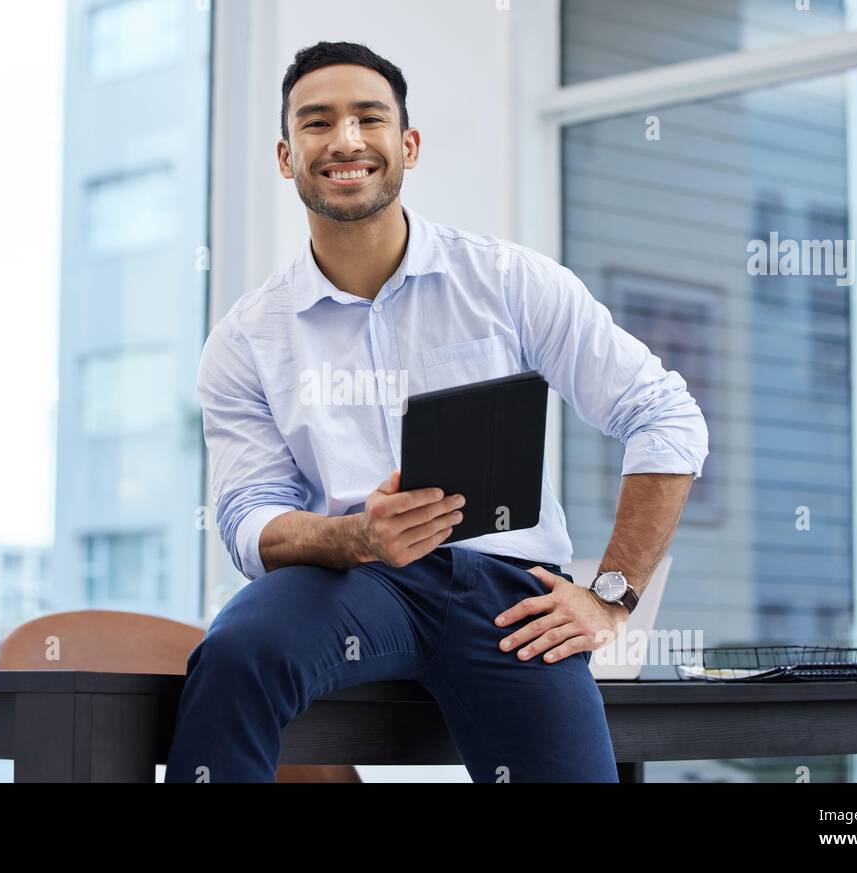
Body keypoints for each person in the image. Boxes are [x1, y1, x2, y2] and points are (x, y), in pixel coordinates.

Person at [165, 40, 708, 783]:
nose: (346, 141)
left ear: (408, 145)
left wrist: (611, 596)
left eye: (369, 119)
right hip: (348, 583)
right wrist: (354, 533)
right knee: (236, 651)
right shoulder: (246, 338)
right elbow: (247, 518)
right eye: (318, 123)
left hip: (508, 593)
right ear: (286, 156)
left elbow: (666, 416)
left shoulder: (508, 281)